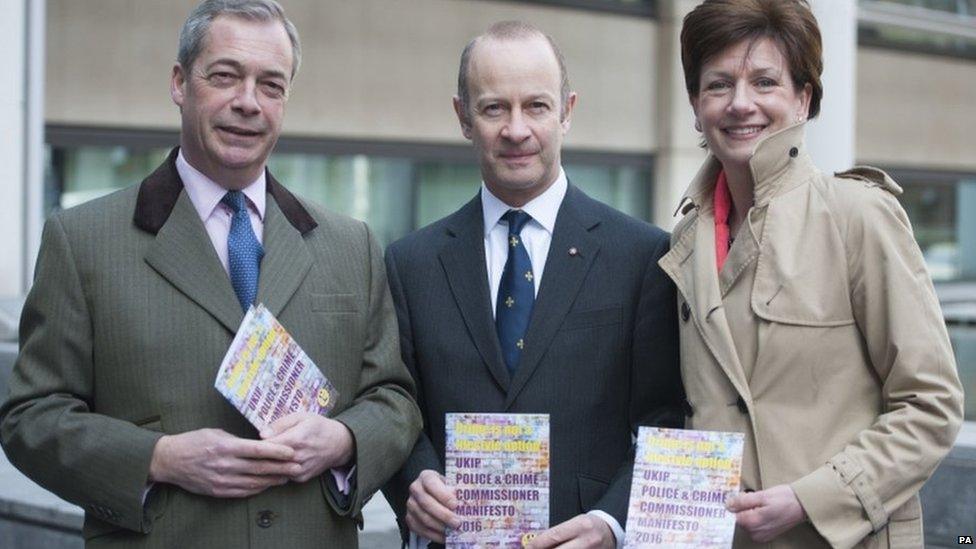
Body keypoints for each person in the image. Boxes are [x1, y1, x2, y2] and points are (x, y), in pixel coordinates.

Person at [0, 1, 420, 547]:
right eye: (225, 77)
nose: (248, 102)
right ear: (180, 82)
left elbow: (393, 398)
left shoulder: (351, 244)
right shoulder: (82, 241)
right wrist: (159, 458)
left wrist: (343, 440)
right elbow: (30, 417)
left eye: (271, 85)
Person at [659, 0, 965, 546]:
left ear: (803, 98)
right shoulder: (683, 241)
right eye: (719, 84)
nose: (740, 103)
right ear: (695, 102)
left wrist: (812, 498)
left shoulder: (857, 216)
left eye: (765, 82)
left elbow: (931, 405)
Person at [380, 21, 683, 549]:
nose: (516, 130)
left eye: (536, 107)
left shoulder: (640, 255)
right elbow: (395, 408)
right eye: (494, 107)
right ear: (463, 118)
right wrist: (413, 482)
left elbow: (665, 422)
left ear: (567, 110)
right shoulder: (412, 263)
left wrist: (612, 524)